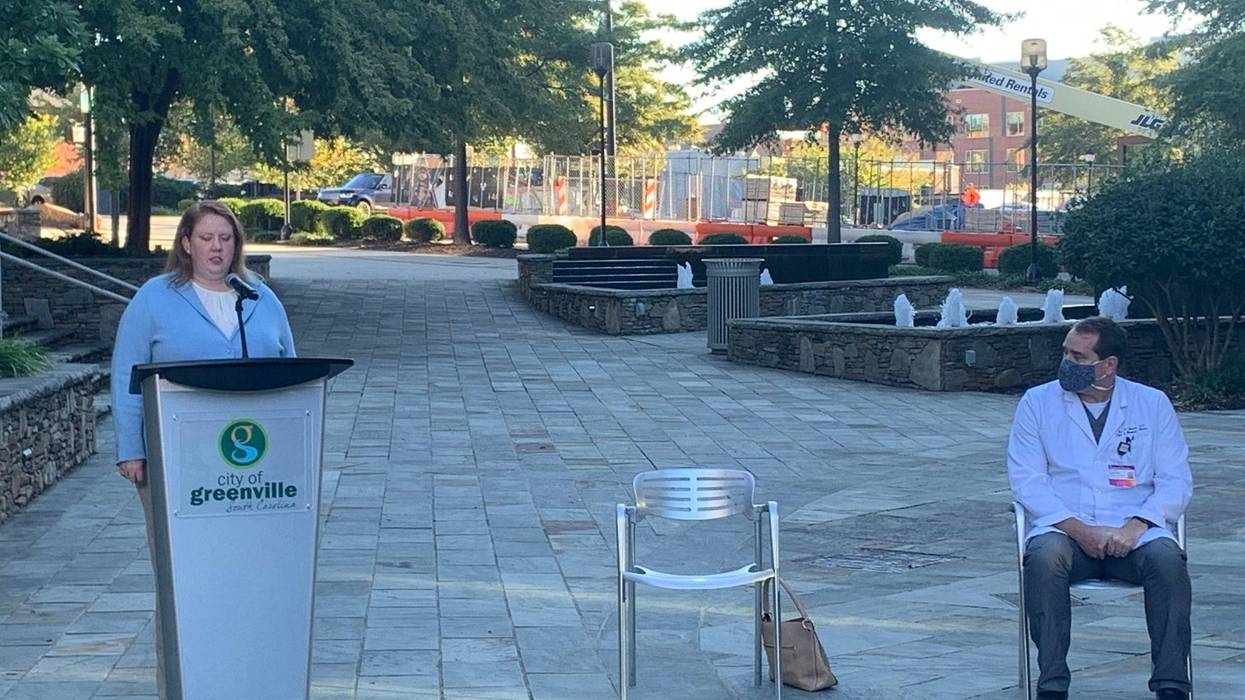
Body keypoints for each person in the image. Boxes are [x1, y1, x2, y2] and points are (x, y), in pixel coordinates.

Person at [110, 200, 295, 698]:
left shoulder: (259, 298)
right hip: (175, 466)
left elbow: (292, 371)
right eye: (207, 238)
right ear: (186, 244)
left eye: (227, 238)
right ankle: (182, 684)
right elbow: (127, 377)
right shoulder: (155, 298)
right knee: (185, 586)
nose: (217, 248)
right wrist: (132, 449)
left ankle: (249, 678)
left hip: (256, 472)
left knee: (250, 579)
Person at [1008, 316, 1192, 700]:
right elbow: (1028, 481)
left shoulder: (1151, 404)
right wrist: (1078, 529)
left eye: (1078, 356)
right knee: (1043, 558)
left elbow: (1175, 481)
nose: (1066, 364)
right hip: (1065, 531)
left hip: (1135, 532)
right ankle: (1052, 686)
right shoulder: (1037, 403)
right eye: (1065, 353)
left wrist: (1135, 527)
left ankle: (1172, 685)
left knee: (1169, 560)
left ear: (1108, 365)